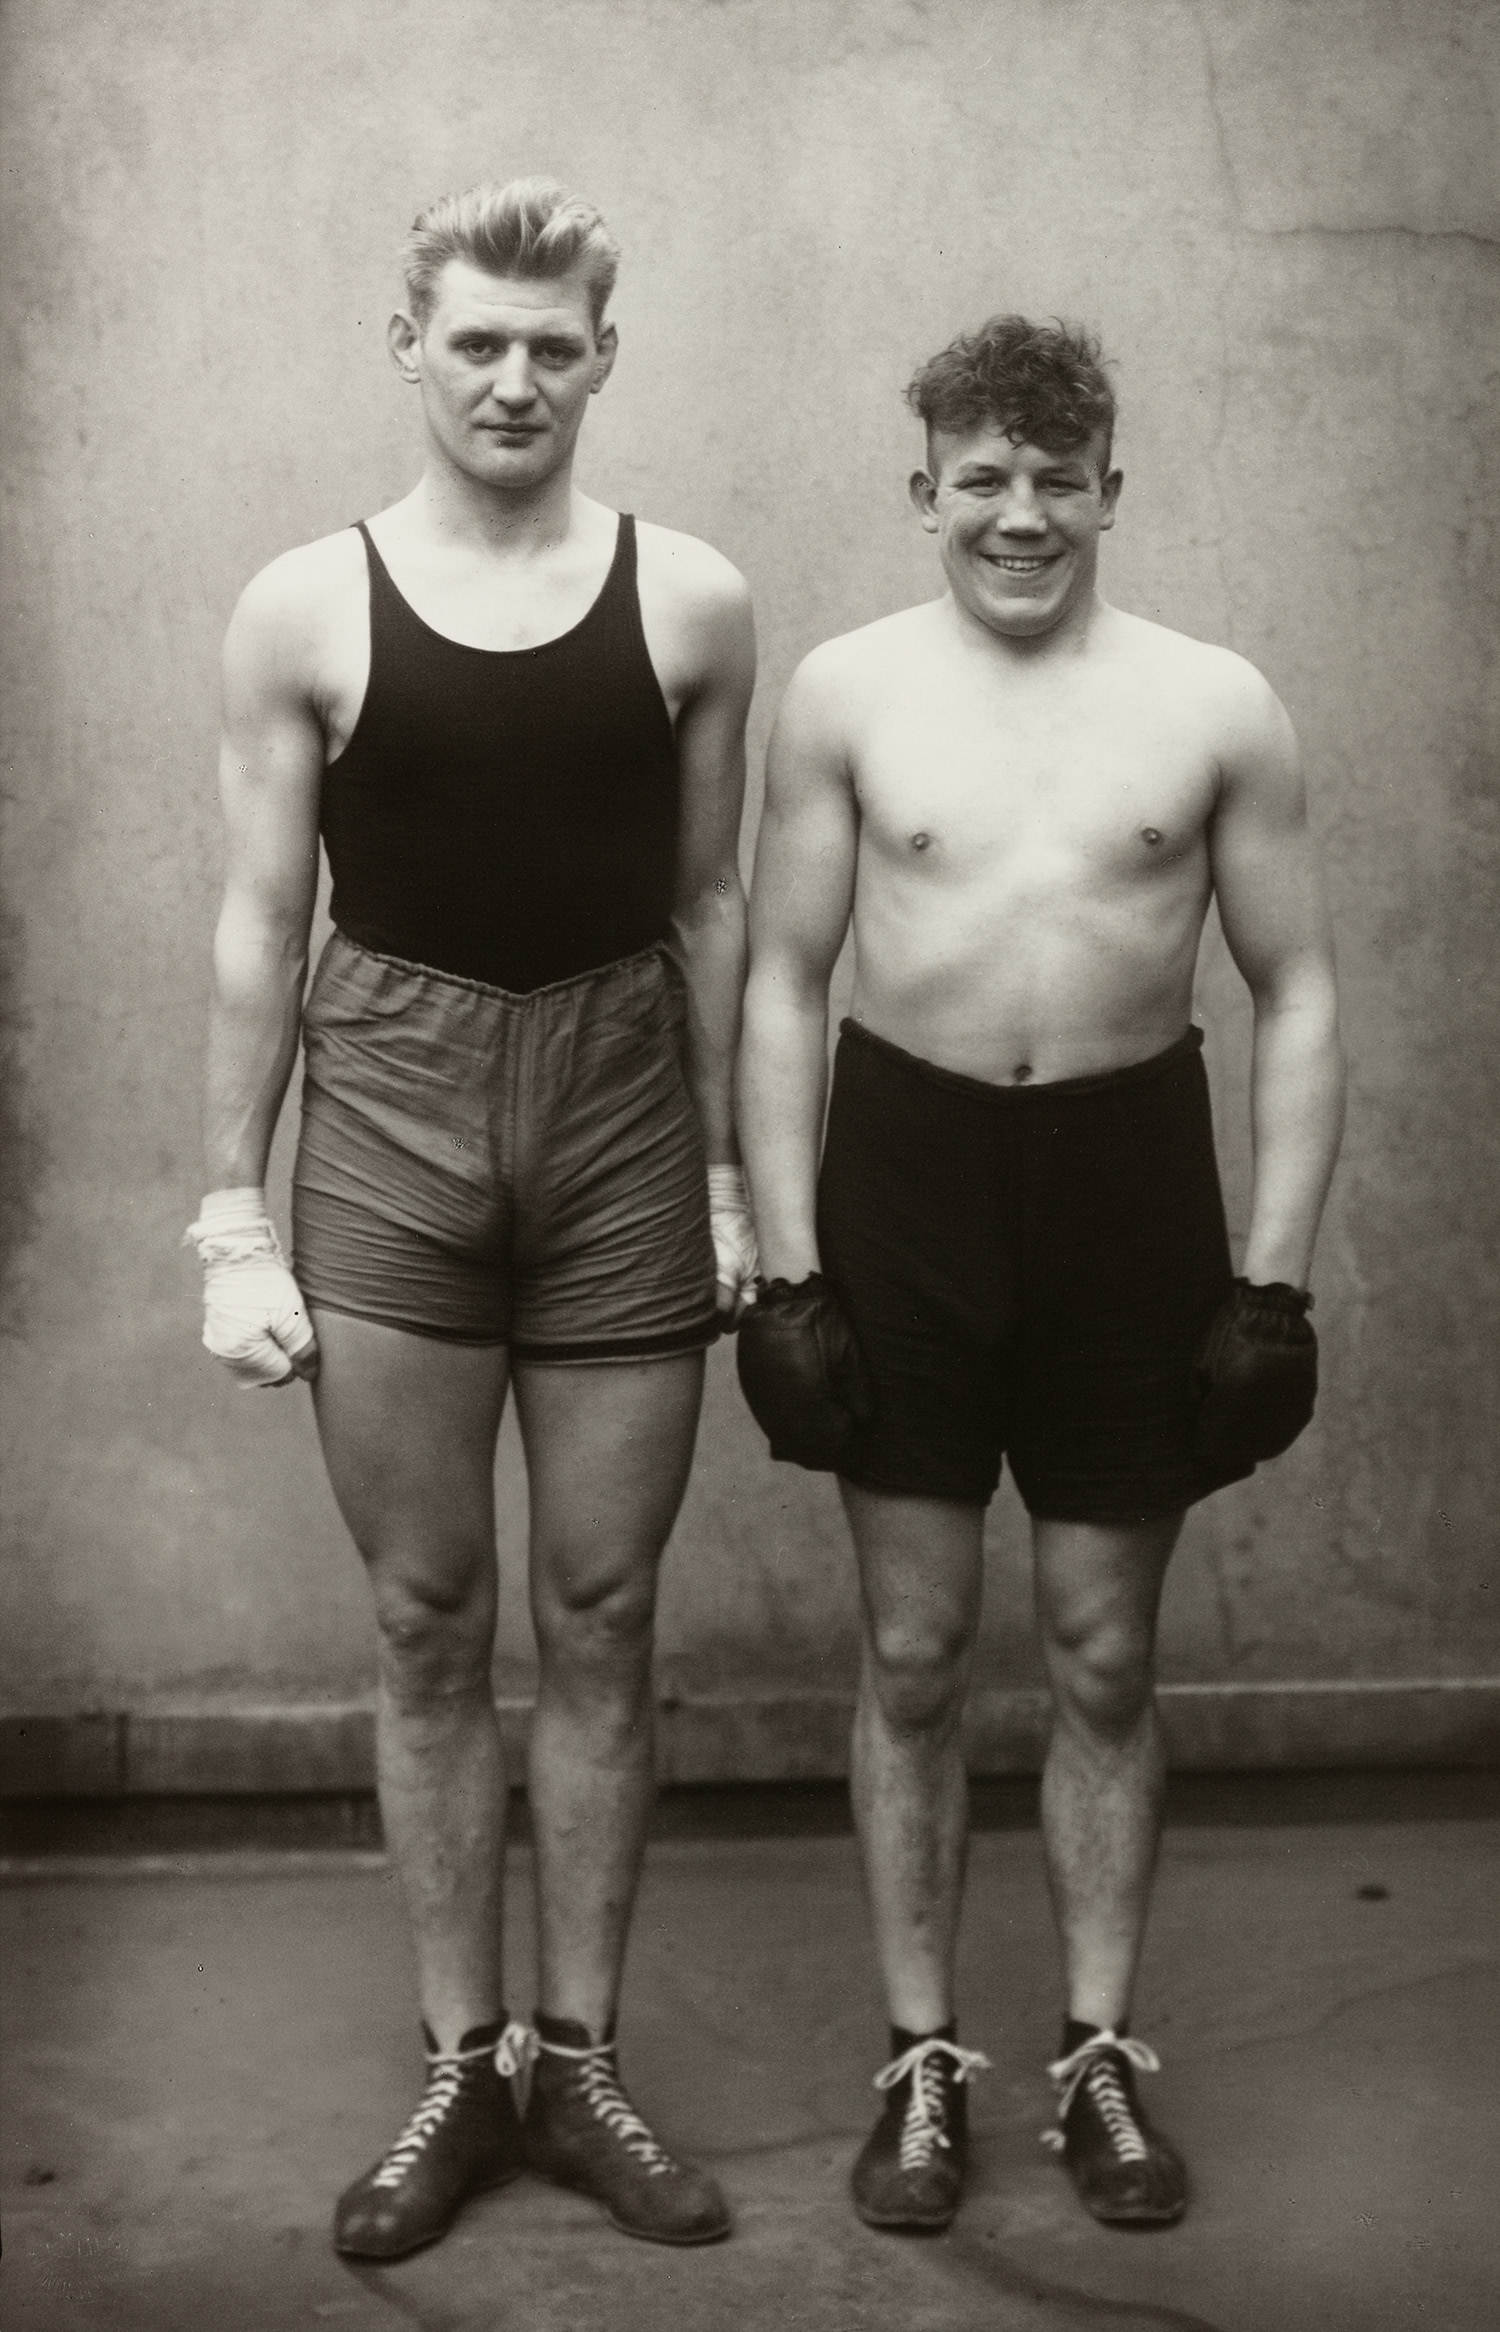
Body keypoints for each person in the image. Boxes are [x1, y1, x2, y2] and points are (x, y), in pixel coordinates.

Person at [186, 178, 759, 2258]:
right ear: (406, 345)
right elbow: (263, 919)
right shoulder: (304, 608)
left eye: (554, 343)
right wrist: (226, 1213)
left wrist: (728, 1172)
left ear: (607, 356)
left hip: (618, 1111)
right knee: (431, 1615)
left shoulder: (690, 598)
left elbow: (710, 908)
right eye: (478, 339)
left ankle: (577, 2055)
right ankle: (459, 2054)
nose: (516, 376)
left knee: (603, 1611)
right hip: (397, 1108)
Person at [736, 316, 1344, 2234]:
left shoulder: (1214, 702)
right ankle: (922, 2063)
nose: (1019, 515)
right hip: (907, 1184)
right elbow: (777, 982)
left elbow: (1300, 989)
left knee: (1101, 1651)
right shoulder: (843, 693)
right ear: (927, 488)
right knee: (913, 1654)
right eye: (979, 479)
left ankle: (1095, 2059)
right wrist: (786, 1265)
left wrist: (1274, 1284)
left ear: (1109, 486)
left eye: (1055, 480)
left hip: (1128, 1194)